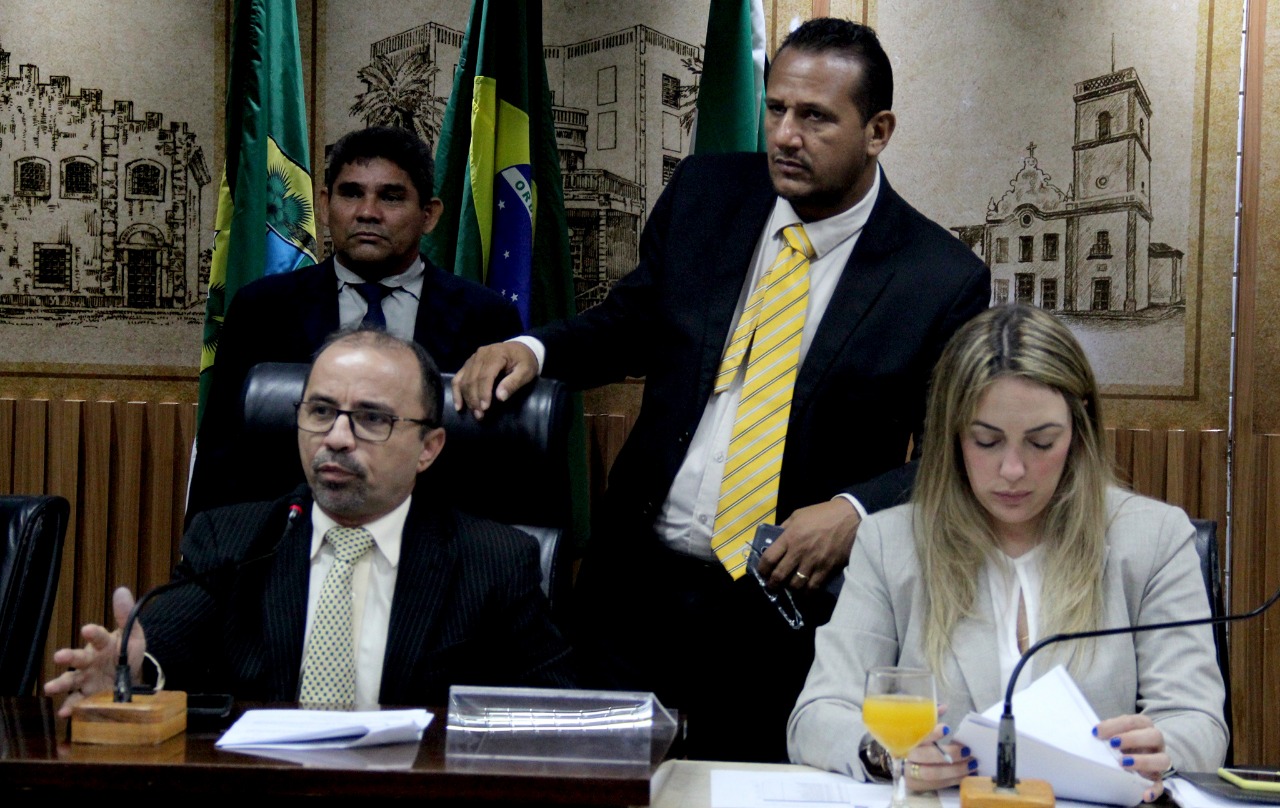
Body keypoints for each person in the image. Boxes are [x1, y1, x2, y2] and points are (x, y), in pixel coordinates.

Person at [452, 19, 990, 761]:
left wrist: (855, 508)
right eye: (777, 109)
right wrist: (533, 348)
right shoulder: (708, 194)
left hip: (785, 612)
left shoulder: (940, 278)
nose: (786, 136)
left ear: (878, 131)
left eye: (816, 117)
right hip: (635, 590)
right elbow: (630, 323)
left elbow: (951, 453)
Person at [787, 304, 1227, 800]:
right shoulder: (891, 543)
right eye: (986, 441)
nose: (1013, 470)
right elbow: (817, 716)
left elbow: (1198, 722)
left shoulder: (1153, 539)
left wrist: (1162, 748)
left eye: (1041, 442)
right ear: (953, 436)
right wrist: (888, 755)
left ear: (1078, 431)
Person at [45, 328, 574, 714]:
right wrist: (131, 669)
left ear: (428, 449)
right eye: (320, 412)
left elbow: (557, 715)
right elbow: (165, 646)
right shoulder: (235, 541)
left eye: (371, 418)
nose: (337, 438)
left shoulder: (493, 561)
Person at [188, 126, 522, 520]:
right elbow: (221, 458)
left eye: (391, 197)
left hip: (437, 542)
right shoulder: (261, 310)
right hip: (290, 539)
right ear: (325, 205)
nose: (367, 212)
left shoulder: (487, 318)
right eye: (351, 193)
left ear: (429, 215)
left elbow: (505, 469)